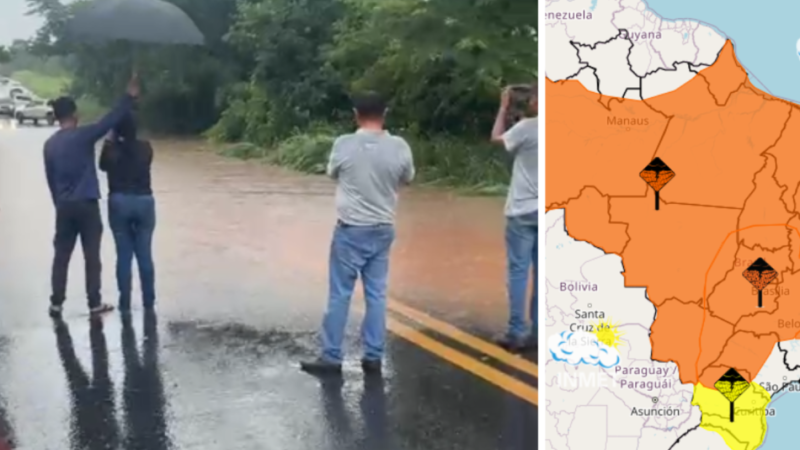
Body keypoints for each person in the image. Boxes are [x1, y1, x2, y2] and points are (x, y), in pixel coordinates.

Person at [301, 92, 415, 375]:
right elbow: (408, 179)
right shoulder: (400, 146)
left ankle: (331, 357)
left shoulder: (343, 144)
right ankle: (373, 356)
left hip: (351, 230)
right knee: (376, 294)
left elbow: (332, 174)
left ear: (356, 114)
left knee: (340, 294)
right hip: (383, 228)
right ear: (384, 113)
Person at [44, 73, 140, 317]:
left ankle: (56, 302)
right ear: (74, 115)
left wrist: (60, 204)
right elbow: (110, 120)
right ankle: (94, 302)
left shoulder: (50, 145)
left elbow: (51, 181)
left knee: (61, 255)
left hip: (64, 206)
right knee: (91, 255)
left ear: (57, 118)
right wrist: (128, 96)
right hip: (86, 204)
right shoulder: (83, 135)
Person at [490, 82, 539, 352]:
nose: (530, 101)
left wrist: (503, 107)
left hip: (522, 210)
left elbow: (497, 137)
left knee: (519, 273)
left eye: (533, 97)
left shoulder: (528, 127)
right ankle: (539, 333)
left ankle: (517, 332)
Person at [99, 111, 157, 312]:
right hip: (144, 200)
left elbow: (102, 166)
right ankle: (149, 301)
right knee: (145, 254)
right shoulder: (146, 148)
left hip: (119, 201)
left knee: (124, 255)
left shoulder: (112, 151)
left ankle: (125, 301)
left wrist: (109, 139)